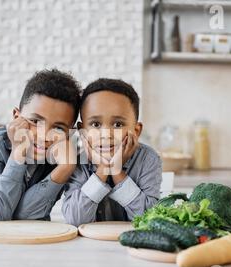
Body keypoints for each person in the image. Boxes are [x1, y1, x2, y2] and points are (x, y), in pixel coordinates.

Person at [0, 69, 81, 221]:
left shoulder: (64, 156)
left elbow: (26, 216)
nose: (44, 135)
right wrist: (18, 153)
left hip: (26, 236)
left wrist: (65, 168)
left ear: (70, 133)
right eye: (35, 121)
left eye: (58, 128)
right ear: (16, 116)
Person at [62, 78, 162, 226]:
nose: (106, 134)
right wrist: (103, 170)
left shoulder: (148, 159)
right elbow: (76, 219)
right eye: (95, 124)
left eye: (118, 124)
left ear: (136, 130)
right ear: (82, 131)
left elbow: (150, 218)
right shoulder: (76, 162)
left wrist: (117, 172)